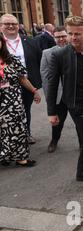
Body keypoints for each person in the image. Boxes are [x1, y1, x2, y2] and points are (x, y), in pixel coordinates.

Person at [47, 16, 83, 184]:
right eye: (70, 33)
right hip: (76, 105)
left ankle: (81, 172)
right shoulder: (59, 55)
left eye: (77, 34)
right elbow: (52, 84)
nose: (73, 37)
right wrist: (52, 112)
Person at [1, 14, 42, 144]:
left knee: (25, 110)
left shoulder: (30, 41)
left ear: (18, 26)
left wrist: (36, 86)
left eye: (14, 23)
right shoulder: (1, 42)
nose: (11, 26)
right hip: (5, 87)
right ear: (1, 26)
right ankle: (6, 139)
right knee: (5, 114)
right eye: (7, 24)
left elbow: (38, 61)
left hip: (26, 83)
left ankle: (26, 134)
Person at [0, 34, 41, 167]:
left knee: (17, 128)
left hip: (13, 100)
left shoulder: (12, 59)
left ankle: (20, 158)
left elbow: (22, 79)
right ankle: (4, 156)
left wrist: (34, 91)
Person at [40, 26, 69, 153]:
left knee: (81, 122)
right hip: (58, 95)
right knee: (57, 121)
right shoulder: (47, 53)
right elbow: (45, 77)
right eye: (58, 37)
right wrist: (49, 97)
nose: (61, 39)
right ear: (54, 38)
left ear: (67, 36)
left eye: (63, 36)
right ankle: (54, 140)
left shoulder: (75, 50)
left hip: (75, 94)